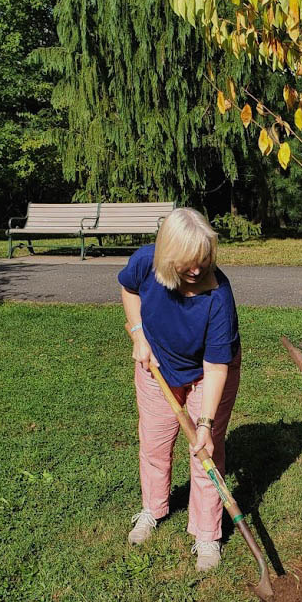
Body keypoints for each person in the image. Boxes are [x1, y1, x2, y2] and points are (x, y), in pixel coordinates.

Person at [118, 207, 241, 572]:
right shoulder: (146, 262)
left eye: (203, 260)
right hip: (157, 369)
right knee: (154, 443)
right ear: (168, 256)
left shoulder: (219, 296)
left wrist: (204, 423)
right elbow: (128, 290)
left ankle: (207, 534)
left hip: (209, 374)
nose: (196, 269)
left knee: (205, 452)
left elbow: (216, 365)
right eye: (187, 262)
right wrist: (139, 335)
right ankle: (152, 509)